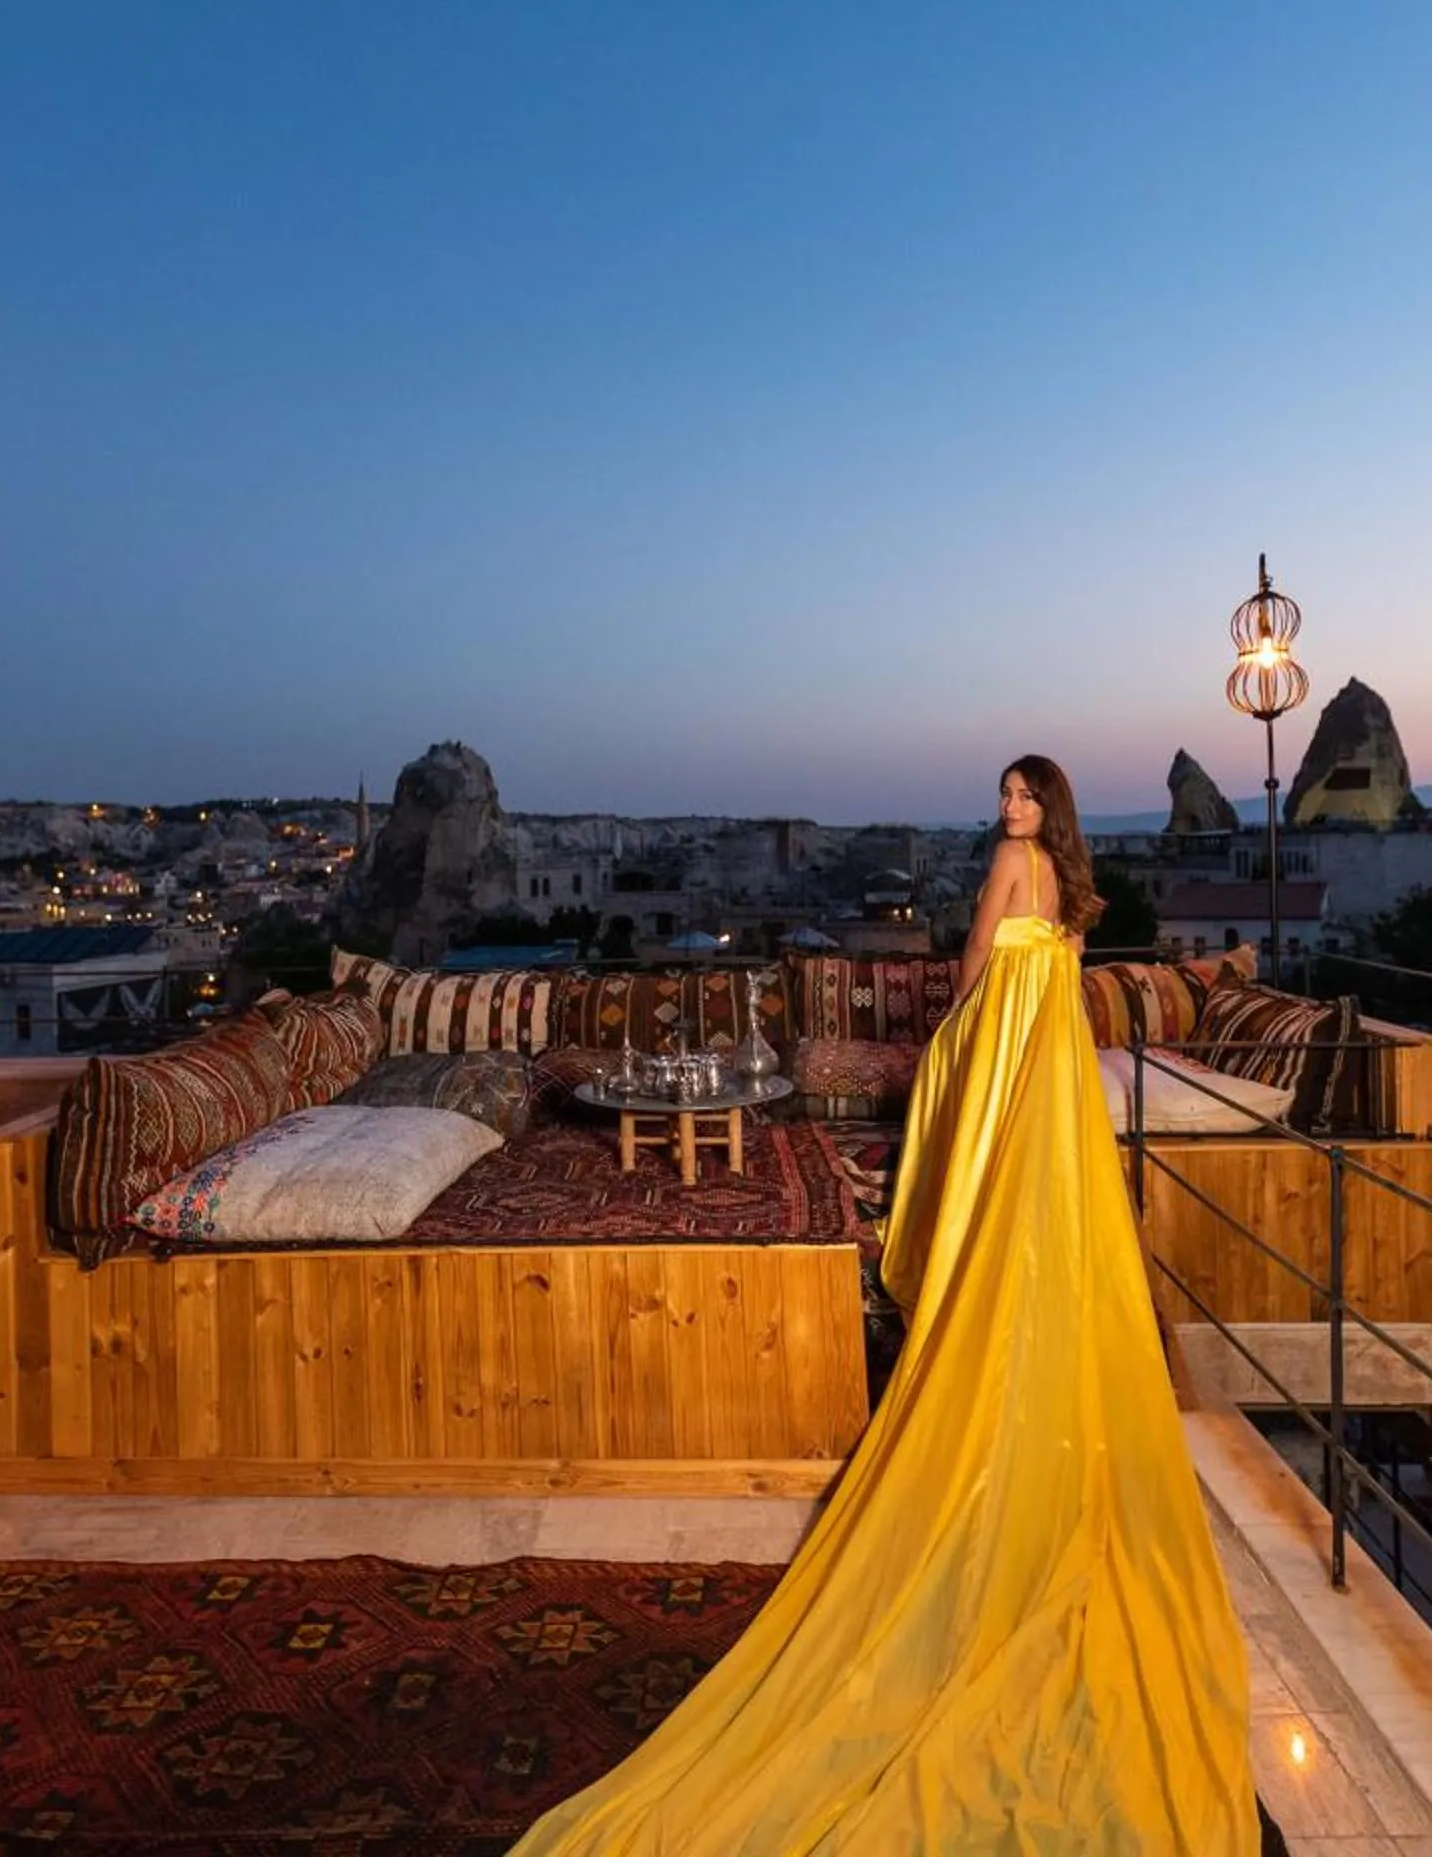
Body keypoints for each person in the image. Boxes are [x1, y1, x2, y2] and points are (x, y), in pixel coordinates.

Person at [514, 755, 1258, 1854]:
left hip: (1006, 1041)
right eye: (1005, 794)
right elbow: (1060, 970)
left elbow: (968, 969)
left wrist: (953, 1041)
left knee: (969, 1169)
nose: (1008, 809)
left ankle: (968, 1292)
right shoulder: (1072, 880)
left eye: (1022, 793)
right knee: (1041, 1195)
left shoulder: (1010, 861)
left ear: (1043, 806)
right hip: (1049, 1052)